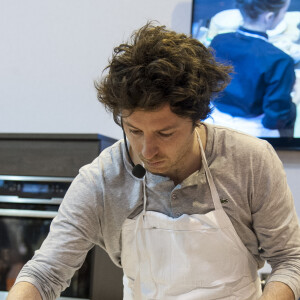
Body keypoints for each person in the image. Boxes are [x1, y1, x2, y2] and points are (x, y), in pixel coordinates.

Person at [7, 23, 300, 300]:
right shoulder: (102, 179)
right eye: (134, 131)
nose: (148, 151)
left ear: (197, 118)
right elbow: (45, 273)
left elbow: (290, 260)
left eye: (165, 133)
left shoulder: (249, 161)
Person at [208, 0, 297, 138]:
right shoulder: (280, 60)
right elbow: (275, 116)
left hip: (213, 119)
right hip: (253, 131)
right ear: (269, 17)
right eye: (284, 12)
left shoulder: (218, 40)